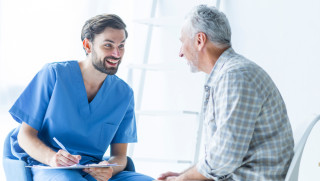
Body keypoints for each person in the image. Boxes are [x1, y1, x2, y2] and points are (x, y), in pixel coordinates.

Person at [8, 14, 154, 181]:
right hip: (49, 166)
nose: (116, 53)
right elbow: (24, 136)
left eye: (121, 46)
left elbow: (120, 156)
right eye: (108, 45)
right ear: (87, 45)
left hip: (93, 171)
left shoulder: (124, 94)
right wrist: (52, 158)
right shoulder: (54, 75)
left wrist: (109, 170)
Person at [158, 5, 294, 181]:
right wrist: (184, 175)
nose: (180, 53)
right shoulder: (230, 74)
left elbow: (224, 158)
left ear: (199, 40)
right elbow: (219, 153)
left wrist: (182, 179)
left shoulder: (234, 77)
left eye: (182, 42)